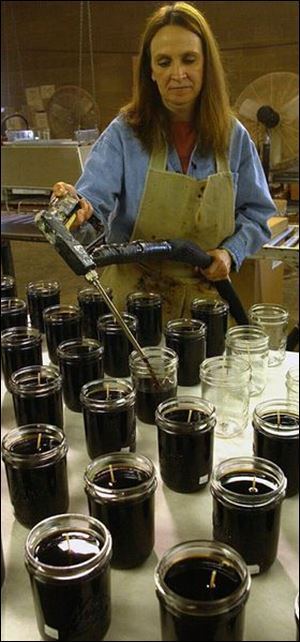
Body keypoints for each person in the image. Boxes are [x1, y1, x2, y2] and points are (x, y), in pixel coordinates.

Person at [52, 1, 275, 322]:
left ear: (205, 66)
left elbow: (257, 213)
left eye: (189, 60)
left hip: (206, 304)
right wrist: (75, 211)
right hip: (134, 303)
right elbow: (91, 212)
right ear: (151, 71)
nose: (177, 74)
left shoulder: (233, 137)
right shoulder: (124, 134)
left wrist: (230, 252)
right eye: (164, 62)